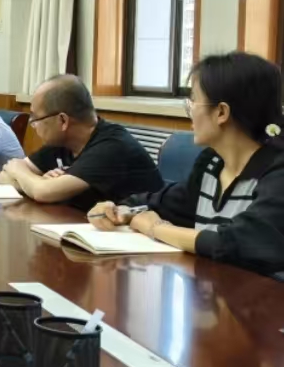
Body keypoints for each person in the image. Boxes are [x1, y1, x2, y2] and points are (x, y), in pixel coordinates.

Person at [90, 52, 284, 277]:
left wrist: (156, 228)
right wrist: (120, 211)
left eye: (193, 101)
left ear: (221, 112)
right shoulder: (211, 165)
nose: (190, 111)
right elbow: (158, 203)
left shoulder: (277, 172)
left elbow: (237, 243)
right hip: (214, 289)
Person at [0, 75, 162, 210]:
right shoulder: (61, 142)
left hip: (140, 233)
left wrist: (19, 170)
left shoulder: (111, 146)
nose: (32, 124)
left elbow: (43, 192)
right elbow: (3, 178)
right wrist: (36, 181)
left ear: (62, 120)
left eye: (36, 118)